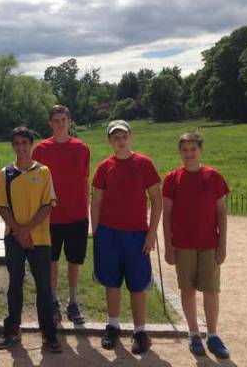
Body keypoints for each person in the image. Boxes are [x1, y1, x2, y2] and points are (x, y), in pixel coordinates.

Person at [91, 120, 162, 355]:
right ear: (110, 141)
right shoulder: (104, 167)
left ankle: (140, 331)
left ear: (131, 137)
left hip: (136, 234)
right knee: (111, 283)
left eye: (123, 136)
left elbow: (156, 199)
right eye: (115, 137)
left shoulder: (144, 164)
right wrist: (97, 233)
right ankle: (113, 326)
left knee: (137, 284)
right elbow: (97, 201)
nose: (120, 141)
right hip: (109, 233)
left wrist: (151, 234)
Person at [0, 127, 62, 353]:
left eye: (25, 143)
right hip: (14, 238)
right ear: (13, 146)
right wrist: (19, 231)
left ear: (31, 145)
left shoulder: (43, 172)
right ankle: (13, 330)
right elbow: (1, 205)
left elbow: (47, 205)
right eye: (17, 143)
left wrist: (28, 230)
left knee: (43, 288)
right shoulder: (6, 173)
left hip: (40, 238)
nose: (21, 148)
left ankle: (49, 335)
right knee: (15, 286)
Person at [162, 132, 230, 359]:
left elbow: (221, 213)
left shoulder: (214, 177)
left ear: (201, 151)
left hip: (209, 243)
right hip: (183, 244)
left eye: (193, 149)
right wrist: (168, 246)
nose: (189, 154)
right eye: (185, 150)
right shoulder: (172, 178)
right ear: (179, 152)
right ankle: (193, 333)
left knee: (211, 289)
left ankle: (212, 334)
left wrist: (223, 244)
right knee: (187, 289)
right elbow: (167, 214)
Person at [32, 105, 90, 324]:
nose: (60, 123)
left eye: (63, 119)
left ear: (70, 121)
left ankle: (73, 301)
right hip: (49, 216)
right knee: (51, 261)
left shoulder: (82, 148)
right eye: (56, 120)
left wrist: (86, 212)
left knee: (74, 261)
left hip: (76, 215)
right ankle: (53, 300)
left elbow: (85, 181)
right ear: (50, 123)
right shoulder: (41, 150)